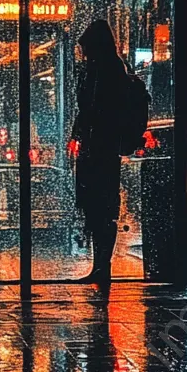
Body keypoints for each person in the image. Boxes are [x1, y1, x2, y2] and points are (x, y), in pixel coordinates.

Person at [71, 19, 129, 286]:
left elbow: (93, 110)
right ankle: (99, 266)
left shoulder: (105, 70)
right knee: (96, 209)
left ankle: (102, 266)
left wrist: (82, 133)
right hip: (97, 146)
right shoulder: (100, 69)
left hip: (102, 148)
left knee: (102, 208)